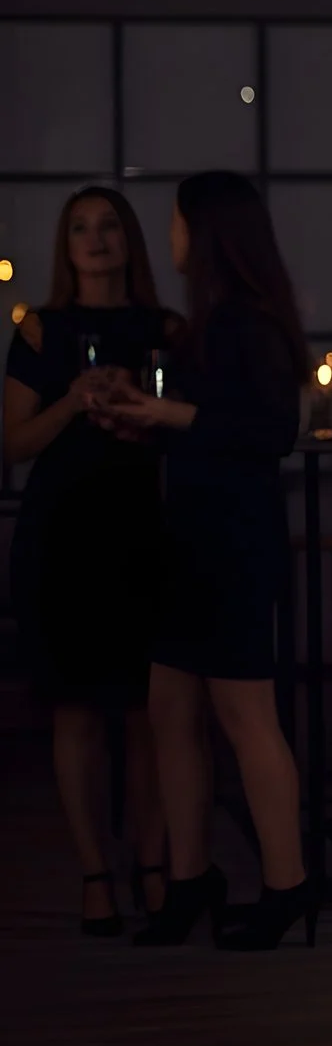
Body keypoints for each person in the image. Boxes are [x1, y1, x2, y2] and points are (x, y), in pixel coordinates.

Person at [92, 171, 310, 949]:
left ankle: (286, 886)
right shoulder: (204, 324)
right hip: (186, 537)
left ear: (207, 232)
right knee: (170, 709)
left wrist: (167, 412)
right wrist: (141, 418)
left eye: (179, 224)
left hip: (233, 540)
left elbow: (268, 430)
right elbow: (199, 425)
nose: (172, 238)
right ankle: (191, 880)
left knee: (246, 716)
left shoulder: (252, 323)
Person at [4, 186, 179, 936]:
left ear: (129, 239)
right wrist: (75, 401)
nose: (96, 239)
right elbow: (13, 445)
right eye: (80, 228)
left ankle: (152, 865)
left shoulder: (164, 327)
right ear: (64, 245)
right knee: (75, 709)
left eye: (109, 225)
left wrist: (141, 412)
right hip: (64, 536)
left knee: (147, 712)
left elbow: (190, 431)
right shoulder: (41, 330)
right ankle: (95, 875)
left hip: (147, 531)